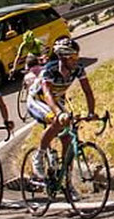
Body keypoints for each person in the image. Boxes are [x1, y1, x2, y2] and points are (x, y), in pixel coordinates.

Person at [27, 38, 96, 180]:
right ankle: (38, 156)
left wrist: (91, 112)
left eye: (77, 56)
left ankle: (66, 181)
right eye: (73, 57)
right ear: (63, 58)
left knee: (68, 139)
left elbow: (88, 91)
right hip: (38, 100)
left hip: (55, 100)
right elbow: (47, 94)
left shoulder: (77, 69)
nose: (76, 60)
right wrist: (58, 113)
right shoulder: (50, 70)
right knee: (57, 121)